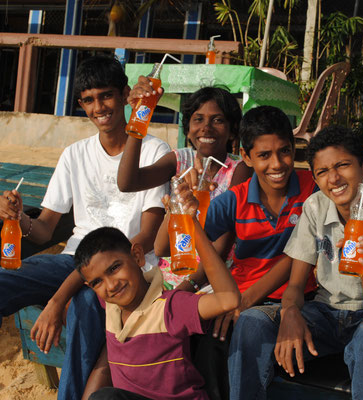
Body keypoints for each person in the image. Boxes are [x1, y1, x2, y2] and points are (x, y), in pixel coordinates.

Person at [0, 55, 170, 400]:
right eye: (88, 99)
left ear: (126, 95)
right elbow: (43, 230)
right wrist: (18, 218)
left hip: (124, 268)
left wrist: (58, 300)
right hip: (70, 260)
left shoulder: (153, 151)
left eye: (106, 96)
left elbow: (145, 238)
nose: (98, 107)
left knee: (85, 305)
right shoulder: (75, 154)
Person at [228, 125, 363, 400]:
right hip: (327, 313)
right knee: (252, 321)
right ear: (315, 179)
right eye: (322, 172)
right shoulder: (315, 206)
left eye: (343, 165)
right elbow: (295, 284)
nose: (334, 178)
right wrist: (291, 312)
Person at [186, 106, 318, 399]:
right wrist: (183, 211)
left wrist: (244, 301)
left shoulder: (312, 191)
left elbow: (300, 254)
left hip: (295, 298)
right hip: (239, 297)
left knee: (241, 332)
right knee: (206, 338)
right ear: (246, 157)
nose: (277, 164)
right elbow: (170, 246)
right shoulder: (235, 199)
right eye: (263, 155)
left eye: (284, 151)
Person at [77, 184, 240, 400]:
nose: (111, 285)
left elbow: (228, 299)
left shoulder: (170, 307)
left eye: (115, 268)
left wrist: (192, 226)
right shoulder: (111, 306)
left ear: (137, 256)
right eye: (98, 282)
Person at [117, 84, 253, 288]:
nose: (206, 127)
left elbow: (222, 245)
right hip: (169, 275)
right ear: (188, 130)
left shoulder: (239, 170)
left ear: (232, 131)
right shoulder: (179, 160)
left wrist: (188, 286)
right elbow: (128, 182)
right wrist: (139, 120)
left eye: (218, 120)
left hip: (212, 279)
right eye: (198, 119)